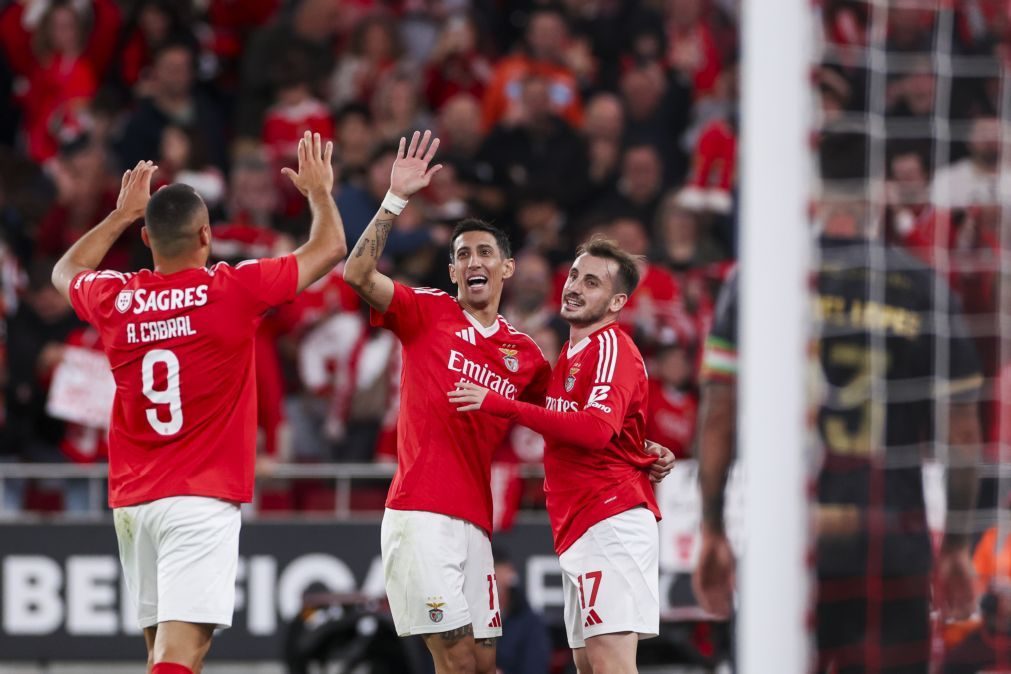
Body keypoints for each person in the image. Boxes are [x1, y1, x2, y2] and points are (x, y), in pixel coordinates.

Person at [342, 130, 672, 674]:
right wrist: (395, 199)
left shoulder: (524, 354)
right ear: (452, 272)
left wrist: (639, 445)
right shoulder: (425, 312)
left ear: (507, 268)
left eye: (485, 252)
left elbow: (576, 417)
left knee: (484, 665)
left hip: (479, 523)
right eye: (462, 254)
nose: (474, 259)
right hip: (421, 513)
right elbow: (356, 274)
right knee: (454, 663)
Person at [50, 131, 347, 673]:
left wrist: (117, 216)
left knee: (163, 653)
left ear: (147, 237)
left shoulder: (119, 297)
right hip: (198, 498)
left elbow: (63, 271)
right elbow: (328, 249)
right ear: (207, 235)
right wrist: (319, 193)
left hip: (133, 502)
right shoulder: (229, 290)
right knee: (182, 654)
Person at [692, 188, 983, 674]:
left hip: (788, 541)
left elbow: (718, 415)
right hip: (890, 541)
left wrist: (713, 527)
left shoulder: (758, 283)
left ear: (808, 194)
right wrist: (955, 544)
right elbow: (963, 434)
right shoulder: (923, 285)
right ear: (881, 196)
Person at [449, 236, 665, 674]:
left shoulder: (610, 346)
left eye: (592, 283)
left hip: (610, 519)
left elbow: (595, 430)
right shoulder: (572, 353)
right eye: (573, 276)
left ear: (617, 301)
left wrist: (502, 403)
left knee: (611, 666)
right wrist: (642, 448)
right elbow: (608, 426)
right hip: (581, 525)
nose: (575, 287)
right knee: (588, 666)